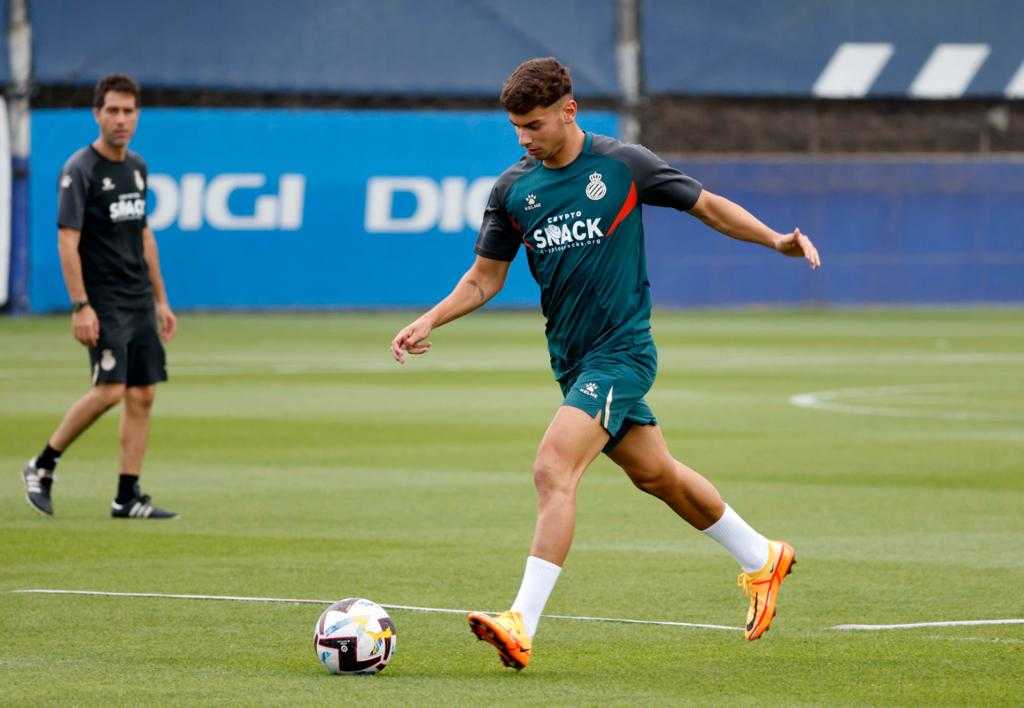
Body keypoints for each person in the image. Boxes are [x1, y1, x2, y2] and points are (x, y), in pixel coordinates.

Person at [390, 57, 820, 670]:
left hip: (622, 353)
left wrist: (776, 240)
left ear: (569, 110)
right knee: (657, 475)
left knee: (553, 469)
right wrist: (431, 319)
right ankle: (761, 556)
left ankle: (520, 622)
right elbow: (485, 278)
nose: (523, 138)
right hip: (571, 360)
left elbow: (708, 206)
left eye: (534, 125)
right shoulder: (512, 191)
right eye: (516, 128)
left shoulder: (623, 165)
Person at [21, 74, 178, 520]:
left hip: (137, 296)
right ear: (97, 114)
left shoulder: (137, 167)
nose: (121, 119)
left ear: (138, 115)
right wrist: (81, 305)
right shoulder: (81, 170)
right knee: (110, 390)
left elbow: (143, 234)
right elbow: (67, 240)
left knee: (142, 394)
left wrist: (161, 299)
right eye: (113, 111)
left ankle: (126, 496)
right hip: (103, 298)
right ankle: (42, 465)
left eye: (129, 111)